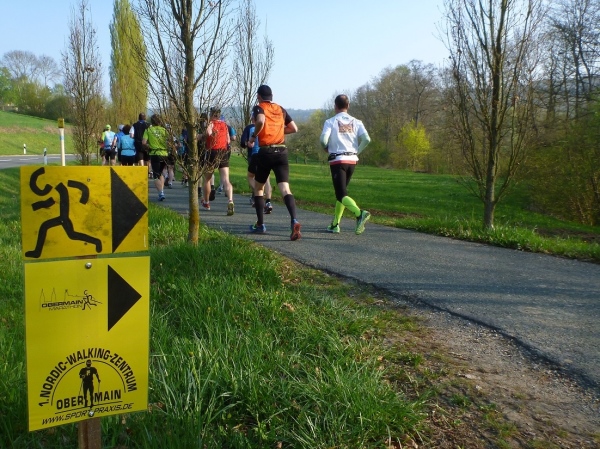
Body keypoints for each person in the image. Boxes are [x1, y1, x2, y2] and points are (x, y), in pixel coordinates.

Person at [248, 85, 301, 240]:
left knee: (259, 188)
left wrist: (254, 136)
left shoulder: (259, 107)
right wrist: (277, 131)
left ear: (258, 96)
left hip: (266, 152)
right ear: (272, 96)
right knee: (285, 188)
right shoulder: (280, 109)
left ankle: (260, 224)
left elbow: (260, 121)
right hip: (282, 151)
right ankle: (294, 220)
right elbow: (294, 128)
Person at [320, 94, 372, 235]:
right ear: (348, 106)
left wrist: (326, 147)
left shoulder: (330, 121)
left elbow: (323, 139)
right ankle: (335, 224)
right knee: (342, 193)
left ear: (335, 106)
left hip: (338, 161)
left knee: (341, 193)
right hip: (352, 161)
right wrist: (356, 152)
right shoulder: (357, 122)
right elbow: (367, 139)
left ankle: (359, 214)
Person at [202, 107, 234, 215]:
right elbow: (228, 140)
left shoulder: (210, 123)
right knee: (226, 180)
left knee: (207, 179)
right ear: (219, 115)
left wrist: (202, 136)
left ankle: (206, 202)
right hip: (223, 152)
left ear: (211, 114)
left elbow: (208, 133)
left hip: (212, 151)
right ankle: (230, 200)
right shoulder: (224, 125)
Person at [240, 114, 273, 214]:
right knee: (267, 179)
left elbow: (242, 143)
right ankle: (268, 202)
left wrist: (247, 143)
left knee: (251, 177)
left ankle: (259, 194)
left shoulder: (249, 128)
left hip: (255, 155)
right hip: (267, 154)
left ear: (252, 118)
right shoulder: (267, 127)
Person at [142, 114, 169, 201]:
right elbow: (170, 141)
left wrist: (148, 147)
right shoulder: (164, 130)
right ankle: (162, 191)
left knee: (156, 175)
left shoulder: (148, 130)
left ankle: (161, 193)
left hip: (155, 153)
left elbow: (143, 142)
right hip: (164, 154)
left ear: (152, 122)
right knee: (161, 173)